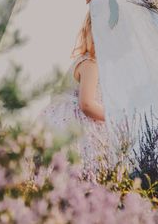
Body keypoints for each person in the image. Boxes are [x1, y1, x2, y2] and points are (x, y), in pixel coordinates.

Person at [36, 10, 111, 176]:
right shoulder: (91, 64)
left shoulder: (82, 59)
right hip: (74, 126)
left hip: (56, 120)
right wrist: (112, 116)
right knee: (80, 167)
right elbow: (87, 104)